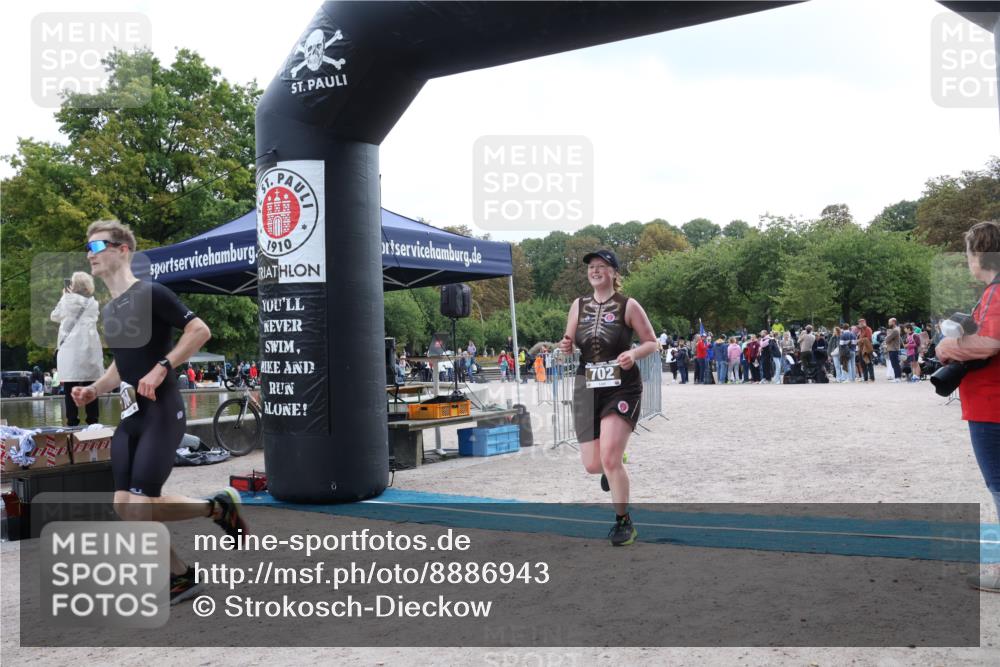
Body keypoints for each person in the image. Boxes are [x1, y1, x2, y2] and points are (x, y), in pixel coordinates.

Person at [71, 219, 246, 605]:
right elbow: (121, 364)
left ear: (122, 250)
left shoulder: (152, 293)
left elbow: (199, 331)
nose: (90, 255)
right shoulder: (111, 310)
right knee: (124, 506)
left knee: (141, 503)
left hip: (162, 411)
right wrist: (94, 388)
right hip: (132, 416)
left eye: (97, 247)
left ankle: (215, 508)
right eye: (88, 248)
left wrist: (163, 366)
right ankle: (180, 576)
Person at [559, 249, 657, 546]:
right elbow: (570, 342)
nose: (595, 270)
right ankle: (612, 461)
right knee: (592, 465)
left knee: (610, 458)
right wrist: (565, 347)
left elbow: (651, 342)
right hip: (586, 386)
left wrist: (633, 353)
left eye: (602, 266)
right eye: (591, 266)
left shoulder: (629, 305)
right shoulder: (578, 305)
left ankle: (624, 522)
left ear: (614, 273)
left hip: (621, 387)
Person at [935, 220, 1000, 592]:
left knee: (999, 486)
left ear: (979, 252)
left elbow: (990, 343)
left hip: (993, 404)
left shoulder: (996, 291)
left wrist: (948, 349)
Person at [52, 272, 106, 426]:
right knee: (91, 384)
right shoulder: (93, 303)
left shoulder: (66, 300)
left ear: (72, 285)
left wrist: (64, 296)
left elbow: (54, 316)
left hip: (71, 349)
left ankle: (72, 422)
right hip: (90, 348)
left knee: (70, 385)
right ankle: (93, 422)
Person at [884, 318, 902, 382]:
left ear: (894, 322)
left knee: (895, 364)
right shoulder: (895, 329)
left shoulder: (895, 330)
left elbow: (887, 339)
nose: (889, 324)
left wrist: (886, 337)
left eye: (889, 322)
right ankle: (897, 377)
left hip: (893, 349)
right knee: (894, 364)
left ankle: (898, 377)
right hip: (892, 349)